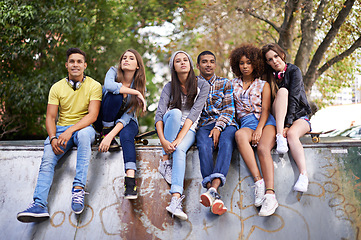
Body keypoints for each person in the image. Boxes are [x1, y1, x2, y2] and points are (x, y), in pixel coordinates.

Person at [17, 48, 102, 222]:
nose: (75, 65)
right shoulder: (56, 87)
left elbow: (92, 116)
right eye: (72, 61)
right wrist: (53, 137)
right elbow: (50, 117)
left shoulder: (94, 86)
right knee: (48, 159)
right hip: (61, 130)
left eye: (79, 61)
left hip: (83, 127)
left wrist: (71, 130)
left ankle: (78, 190)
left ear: (85, 65)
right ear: (66, 65)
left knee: (85, 136)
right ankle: (39, 205)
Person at [155, 51, 209, 220]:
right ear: (174, 67)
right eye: (178, 61)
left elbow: (194, 115)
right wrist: (163, 141)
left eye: (185, 60)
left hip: (190, 128)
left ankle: (175, 200)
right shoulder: (169, 87)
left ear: (191, 64)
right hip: (171, 124)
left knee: (179, 151)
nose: (182, 63)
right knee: (176, 112)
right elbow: (159, 115)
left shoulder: (202, 85)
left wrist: (178, 140)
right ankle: (164, 161)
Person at [230, 44, 278, 216]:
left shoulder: (263, 85)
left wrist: (259, 129)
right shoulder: (232, 84)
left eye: (248, 63)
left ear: (255, 64)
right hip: (245, 122)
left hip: (264, 122)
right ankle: (259, 183)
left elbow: (265, 110)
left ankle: (270, 195)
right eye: (241, 63)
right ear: (237, 65)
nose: (245, 66)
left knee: (263, 148)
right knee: (239, 135)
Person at [261, 43, 312, 192]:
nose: (274, 61)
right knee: (282, 92)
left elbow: (295, 99)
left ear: (282, 54)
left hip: (299, 116)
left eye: (276, 56)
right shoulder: (268, 77)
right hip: (278, 118)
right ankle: (279, 136)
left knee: (291, 134)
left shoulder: (294, 70)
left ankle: (303, 175)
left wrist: (287, 125)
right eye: (270, 59)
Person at [97, 49, 146, 199]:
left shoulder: (139, 84)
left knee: (127, 135)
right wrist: (136, 93)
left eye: (131, 58)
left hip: (125, 122)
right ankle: (105, 131)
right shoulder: (113, 72)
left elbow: (127, 116)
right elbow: (110, 86)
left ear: (137, 65)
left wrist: (111, 135)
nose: (126, 60)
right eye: (124, 57)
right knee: (115, 95)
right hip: (105, 118)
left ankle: (130, 182)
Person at [196, 51, 237, 215]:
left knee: (226, 143)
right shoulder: (193, 85)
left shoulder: (225, 83)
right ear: (198, 66)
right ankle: (213, 193)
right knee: (203, 146)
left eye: (212, 61)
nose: (208, 65)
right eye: (204, 62)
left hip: (226, 122)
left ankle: (213, 188)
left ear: (215, 64)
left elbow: (229, 109)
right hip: (204, 125)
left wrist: (218, 127)